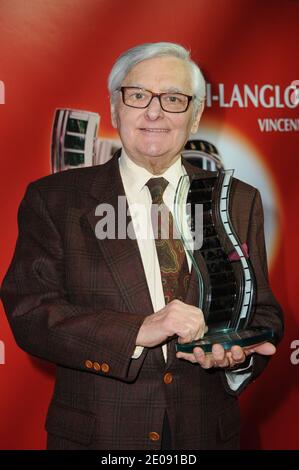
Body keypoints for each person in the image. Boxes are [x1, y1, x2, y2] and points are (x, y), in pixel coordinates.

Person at [1, 42, 283, 450]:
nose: (154, 112)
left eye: (173, 98)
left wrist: (236, 355)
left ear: (196, 114)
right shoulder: (55, 199)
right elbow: (31, 312)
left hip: (207, 436)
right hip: (98, 438)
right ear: (115, 107)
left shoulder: (236, 199)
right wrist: (139, 330)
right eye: (138, 96)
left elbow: (261, 309)